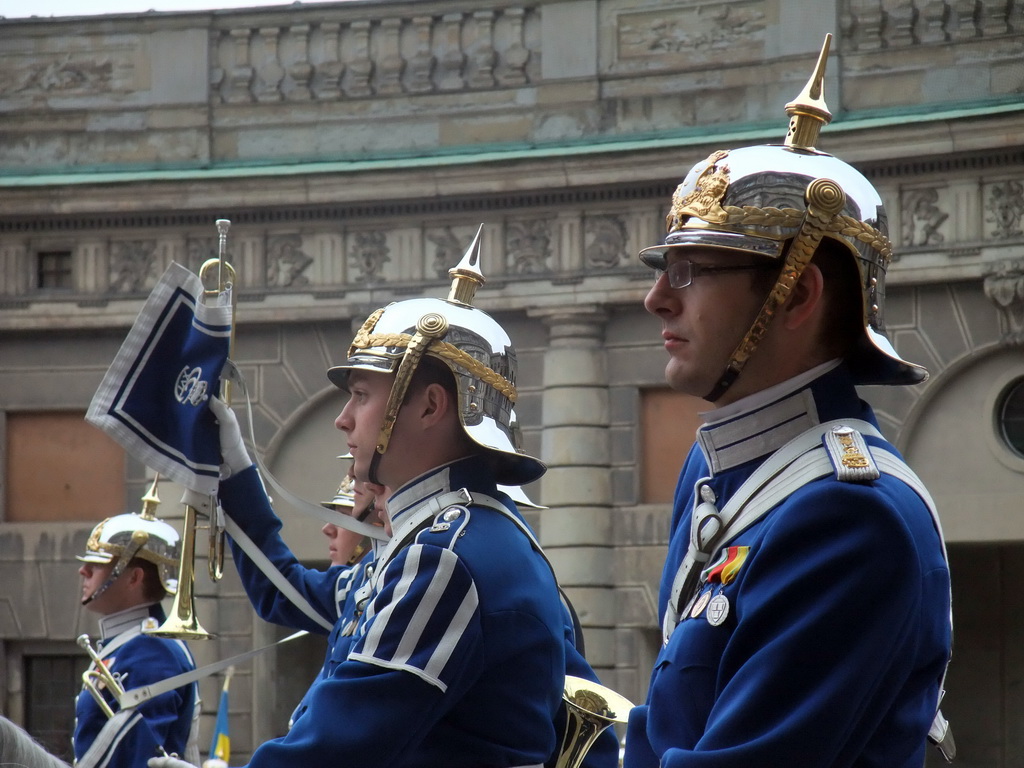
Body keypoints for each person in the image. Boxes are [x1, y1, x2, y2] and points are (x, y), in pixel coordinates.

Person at [151, 233, 617, 768]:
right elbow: (285, 595)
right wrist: (232, 467)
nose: (343, 418)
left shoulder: (444, 557)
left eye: (362, 395)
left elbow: (335, 750)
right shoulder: (445, 542)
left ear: (430, 406)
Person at [622, 39, 953, 768]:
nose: (655, 299)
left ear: (796, 294)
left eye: (689, 270)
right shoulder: (721, 470)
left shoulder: (849, 511)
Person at [74, 479, 201, 768]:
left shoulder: (153, 652)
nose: (83, 570)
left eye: (97, 563)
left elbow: (135, 758)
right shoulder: (129, 645)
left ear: (134, 578)